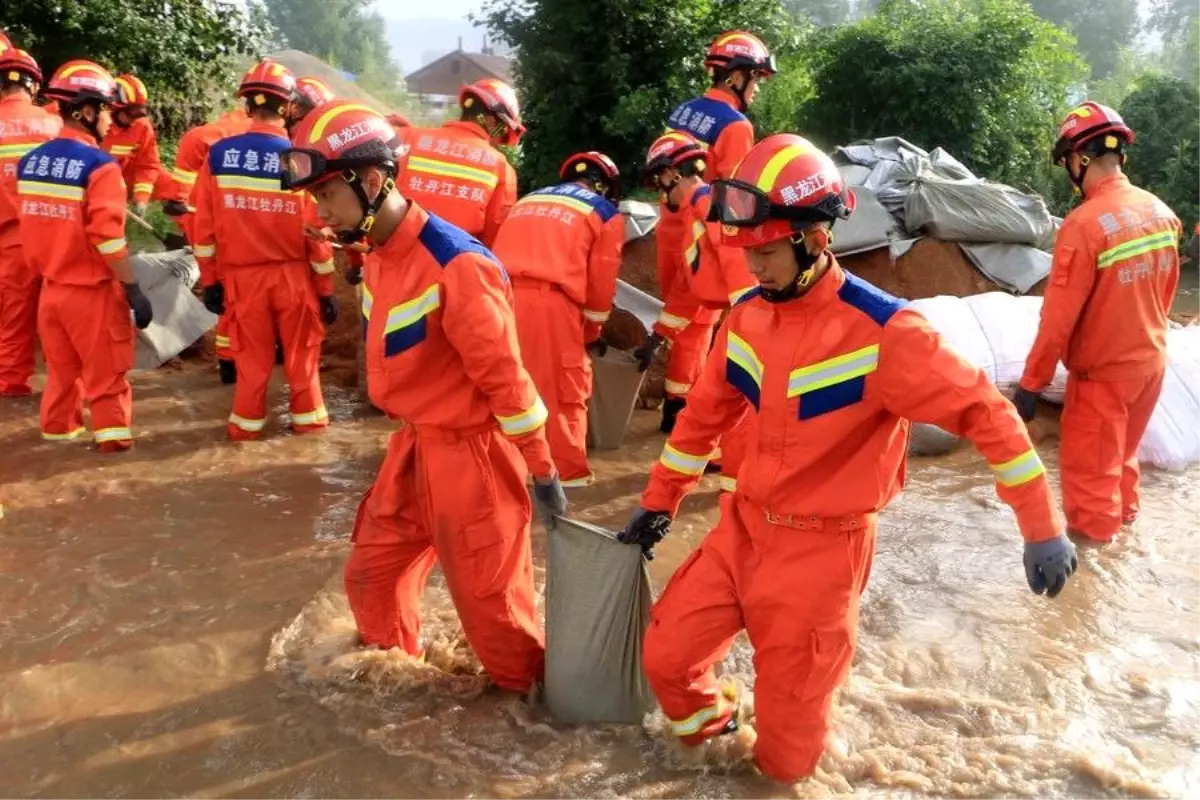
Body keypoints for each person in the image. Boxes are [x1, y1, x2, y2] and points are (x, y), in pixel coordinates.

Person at [620, 134, 1078, 782]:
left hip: (823, 558)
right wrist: (657, 503)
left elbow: (988, 414)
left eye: (768, 252)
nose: (753, 268)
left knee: (786, 762)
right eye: (748, 251)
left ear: (814, 238)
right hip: (742, 529)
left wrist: (1042, 527)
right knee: (665, 658)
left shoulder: (888, 333)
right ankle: (715, 744)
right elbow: (701, 419)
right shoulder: (747, 317)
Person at [282, 99, 567, 691]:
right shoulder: (381, 260)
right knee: (371, 578)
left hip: (475, 461)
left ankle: (533, 730)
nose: (320, 212)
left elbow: (507, 382)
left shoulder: (457, 265)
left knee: (497, 623)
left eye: (326, 194)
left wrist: (543, 473)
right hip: (414, 448)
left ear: (369, 180)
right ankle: (400, 688)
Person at [1014, 102, 1180, 544]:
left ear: (1079, 159)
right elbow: (1164, 296)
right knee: (1122, 462)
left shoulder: (1085, 226)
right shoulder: (1162, 213)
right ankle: (1125, 545)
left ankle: (1092, 588)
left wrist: (1031, 385)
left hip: (1103, 379)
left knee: (1089, 492)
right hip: (1149, 367)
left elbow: (1058, 319)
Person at [191, 60, 336, 440]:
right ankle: (310, 437)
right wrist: (326, 291)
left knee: (251, 362)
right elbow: (316, 231)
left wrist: (211, 282)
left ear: (247, 106)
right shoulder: (300, 158)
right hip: (294, 278)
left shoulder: (219, 156)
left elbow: (202, 229)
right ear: (288, 107)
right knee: (302, 360)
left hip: (242, 278)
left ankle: (245, 432)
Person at [18, 60, 153, 449]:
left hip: (51, 293)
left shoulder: (31, 163)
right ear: (86, 111)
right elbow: (108, 240)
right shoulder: (101, 167)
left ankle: (58, 444)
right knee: (108, 378)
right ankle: (112, 456)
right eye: (109, 111)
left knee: (61, 377)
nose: (113, 121)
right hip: (91, 294)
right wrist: (133, 289)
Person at [652, 31, 776, 402]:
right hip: (702, 237)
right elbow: (731, 198)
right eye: (755, 80)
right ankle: (686, 413)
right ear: (736, 77)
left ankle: (675, 408)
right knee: (702, 323)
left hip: (668, 231)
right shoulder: (736, 126)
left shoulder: (682, 112)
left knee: (681, 317)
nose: (756, 89)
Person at [491, 151, 624, 487]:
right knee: (565, 388)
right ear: (603, 186)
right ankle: (567, 479)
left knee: (505, 387)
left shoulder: (528, 200)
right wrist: (591, 331)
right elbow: (601, 282)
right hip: (549, 305)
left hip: (497, 297)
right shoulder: (603, 211)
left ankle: (504, 469)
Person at [637, 132, 758, 487]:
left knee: (737, 398)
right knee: (719, 397)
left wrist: (750, 311)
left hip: (746, 313)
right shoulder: (699, 210)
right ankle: (719, 470)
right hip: (740, 314)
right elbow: (689, 288)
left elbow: (736, 258)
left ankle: (737, 490)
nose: (662, 195)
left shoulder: (709, 201)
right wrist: (659, 336)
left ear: (671, 174)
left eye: (660, 185)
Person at [163, 102, 252, 383]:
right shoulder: (277, 140)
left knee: (227, 296)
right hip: (252, 234)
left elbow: (180, 196)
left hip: (212, 231)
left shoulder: (201, 137)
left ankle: (228, 364)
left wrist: (185, 220)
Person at [396, 78, 520, 247]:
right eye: (503, 130)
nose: (500, 140)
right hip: (450, 266)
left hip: (390, 261)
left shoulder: (407, 137)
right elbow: (493, 239)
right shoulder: (501, 169)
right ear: (490, 121)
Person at [0, 47, 59, 397]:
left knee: (13, 317)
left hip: (10, 241)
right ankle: (65, 391)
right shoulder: (54, 124)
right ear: (34, 85)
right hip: (58, 237)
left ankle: (12, 386)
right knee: (62, 317)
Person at [102, 74, 171, 216]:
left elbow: (148, 165)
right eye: (131, 113)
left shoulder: (141, 125)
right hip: (100, 182)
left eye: (138, 112)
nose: (134, 119)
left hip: (126, 177)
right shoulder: (94, 124)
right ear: (114, 108)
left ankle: (192, 233)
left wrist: (141, 199)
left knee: (172, 187)